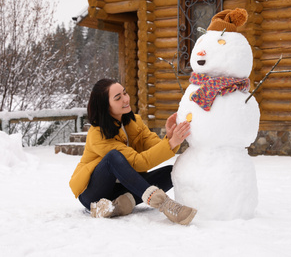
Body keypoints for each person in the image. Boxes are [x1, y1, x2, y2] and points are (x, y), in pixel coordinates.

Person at [69, 78, 197, 225]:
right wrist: (172, 142)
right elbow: (138, 163)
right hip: (94, 193)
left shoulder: (134, 122)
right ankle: (163, 203)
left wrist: (169, 138)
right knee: (113, 157)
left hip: (123, 188)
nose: (125, 99)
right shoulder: (97, 133)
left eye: (124, 93)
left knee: (171, 172)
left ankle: (116, 207)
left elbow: (155, 146)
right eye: (118, 98)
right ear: (105, 105)